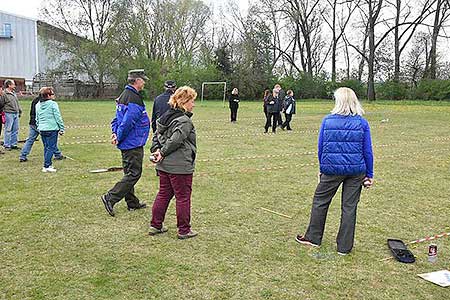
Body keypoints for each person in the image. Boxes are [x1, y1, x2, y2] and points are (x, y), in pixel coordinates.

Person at [295, 87, 374, 255]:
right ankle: (344, 247)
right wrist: (369, 174)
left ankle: (314, 237)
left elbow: (320, 148)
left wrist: (321, 168)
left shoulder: (328, 121)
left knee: (320, 201)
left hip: (332, 169)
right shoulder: (360, 122)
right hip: (355, 170)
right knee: (349, 207)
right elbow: (368, 151)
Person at [149, 86, 198, 239]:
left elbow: (156, 135)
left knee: (164, 193)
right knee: (183, 197)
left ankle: (155, 225)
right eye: (192, 101)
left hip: (164, 166)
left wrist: (157, 150)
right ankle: (184, 230)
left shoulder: (165, 117)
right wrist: (161, 151)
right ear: (184, 102)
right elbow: (175, 140)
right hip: (179, 166)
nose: (193, 104)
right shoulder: (183, 121)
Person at [101, 69, 150, 217]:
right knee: (134, 174)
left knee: (129, 172)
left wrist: (115, 133)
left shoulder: (124, 96)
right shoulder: (134, 98)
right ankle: (110, 197)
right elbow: (128, 122)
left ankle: (132, 203)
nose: (144, 82)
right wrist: (119, 136)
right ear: (137, 81)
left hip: (128, 141)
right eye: (143, 79)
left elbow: (116, 119)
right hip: (132, 143)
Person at [19, 88, 65, 162]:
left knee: (30, 140)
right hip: (42, 124)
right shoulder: (43, 103)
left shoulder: (35, 101)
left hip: (35, 123)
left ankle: (23, 155)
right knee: (49, 143)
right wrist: (61, 128)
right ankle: (52, 158)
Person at [35, 87, 65, 173]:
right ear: (48, 95)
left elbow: (37, 118)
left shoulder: (37, 105)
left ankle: (48, 164)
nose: (53, 95)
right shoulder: (53, 104)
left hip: (42, 129)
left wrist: (39, 127)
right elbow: (58, 117)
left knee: (46, 147)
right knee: (51, 147)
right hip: (52, 129)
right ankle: (46, 166)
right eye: (52, 94)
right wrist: (62, 128)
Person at [0, 79, 22, 150]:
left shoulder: (13, 93)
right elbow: (1, 104)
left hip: (16, 113)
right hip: (8, 113)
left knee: (15, 129)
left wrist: (19, 110)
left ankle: (14, 144)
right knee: (8, 129)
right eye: (13, 84)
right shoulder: (4, 94)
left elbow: (16, 103)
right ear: (9, 85)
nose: (14, 86)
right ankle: (7, 145)